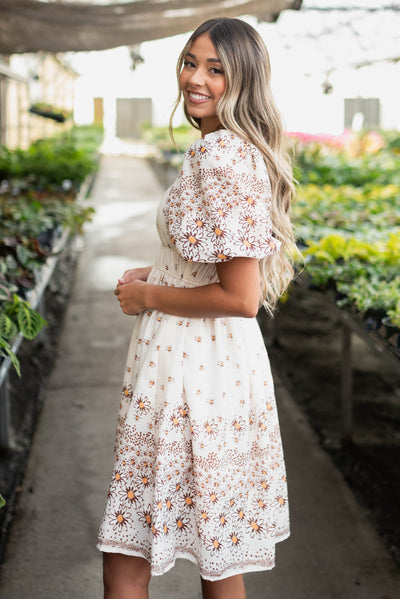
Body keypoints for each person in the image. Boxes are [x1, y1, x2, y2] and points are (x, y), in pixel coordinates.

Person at [97, 16, 297, 599]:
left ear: (244, 81)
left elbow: (240, 296)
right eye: (190, 62)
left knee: (125, 553)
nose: (196, 78)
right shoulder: (222, 150)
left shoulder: (221, 157)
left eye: (216, 69)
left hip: (190, 371)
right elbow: (208, 261)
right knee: (217, 551)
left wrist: (147, 295)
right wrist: (157, 270)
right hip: (213, 370)